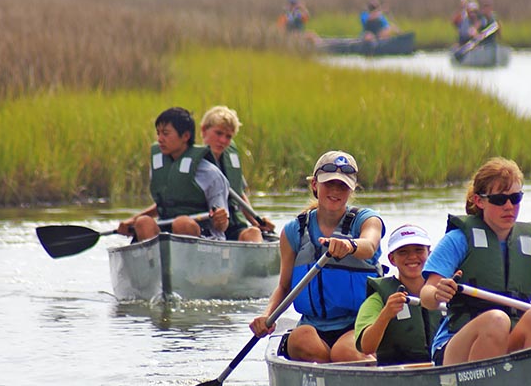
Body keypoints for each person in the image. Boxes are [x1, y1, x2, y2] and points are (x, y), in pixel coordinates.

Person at [419, 158, 531, 366]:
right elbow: (426, 296)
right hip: (455, 347)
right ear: (479, 201)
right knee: (496, 320)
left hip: (505, 340)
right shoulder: (458, 239)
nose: (509, 206)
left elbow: (522, 306)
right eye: (500, 200)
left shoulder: (527, 246)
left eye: (515, 198)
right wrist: (438, 293)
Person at [250, 150, 385, 363]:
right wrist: (267, 316)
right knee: (300, 339)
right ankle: (328, 375)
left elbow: (369, 245)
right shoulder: (293, 231)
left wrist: (349, 245)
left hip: (359, 323)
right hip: (313, 326)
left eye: (342, 186)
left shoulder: (367, 220)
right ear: (314, 185)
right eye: (328, 184)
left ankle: (353, 368)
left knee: (344, 353)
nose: (335, 190)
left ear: (352, 189)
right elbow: (285, 287)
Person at [116, 107, 230, 241]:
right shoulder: (160, 168)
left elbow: (222, 226)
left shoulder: (210, 174)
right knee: (143, 222)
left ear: (185, 136)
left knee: (182, 223)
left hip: (202, 235)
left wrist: (220, 219)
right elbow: (165, 205)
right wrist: (132, 221)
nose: (160, 139)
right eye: (158, 133)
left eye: (165, 133)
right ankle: (154, 260)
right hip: (166, 231)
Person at [354, 224, 443, 365]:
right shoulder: (378, 297)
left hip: (442, 365)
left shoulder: (444, 289)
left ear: (429, 254)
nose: (412, 257)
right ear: (392, 259)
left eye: (419, 250)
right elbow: (367, 347)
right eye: (403, 252)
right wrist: (386, 314)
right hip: (398, 371)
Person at [198, 106, 275, 242]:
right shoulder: (194, 163)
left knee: (253, 233)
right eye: (218, 133)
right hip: (207, 227)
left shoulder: (229, 162)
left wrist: (257, 222)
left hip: (233, 225)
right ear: (204, 130)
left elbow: (239, 195)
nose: (223, 140)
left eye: (228, 136)